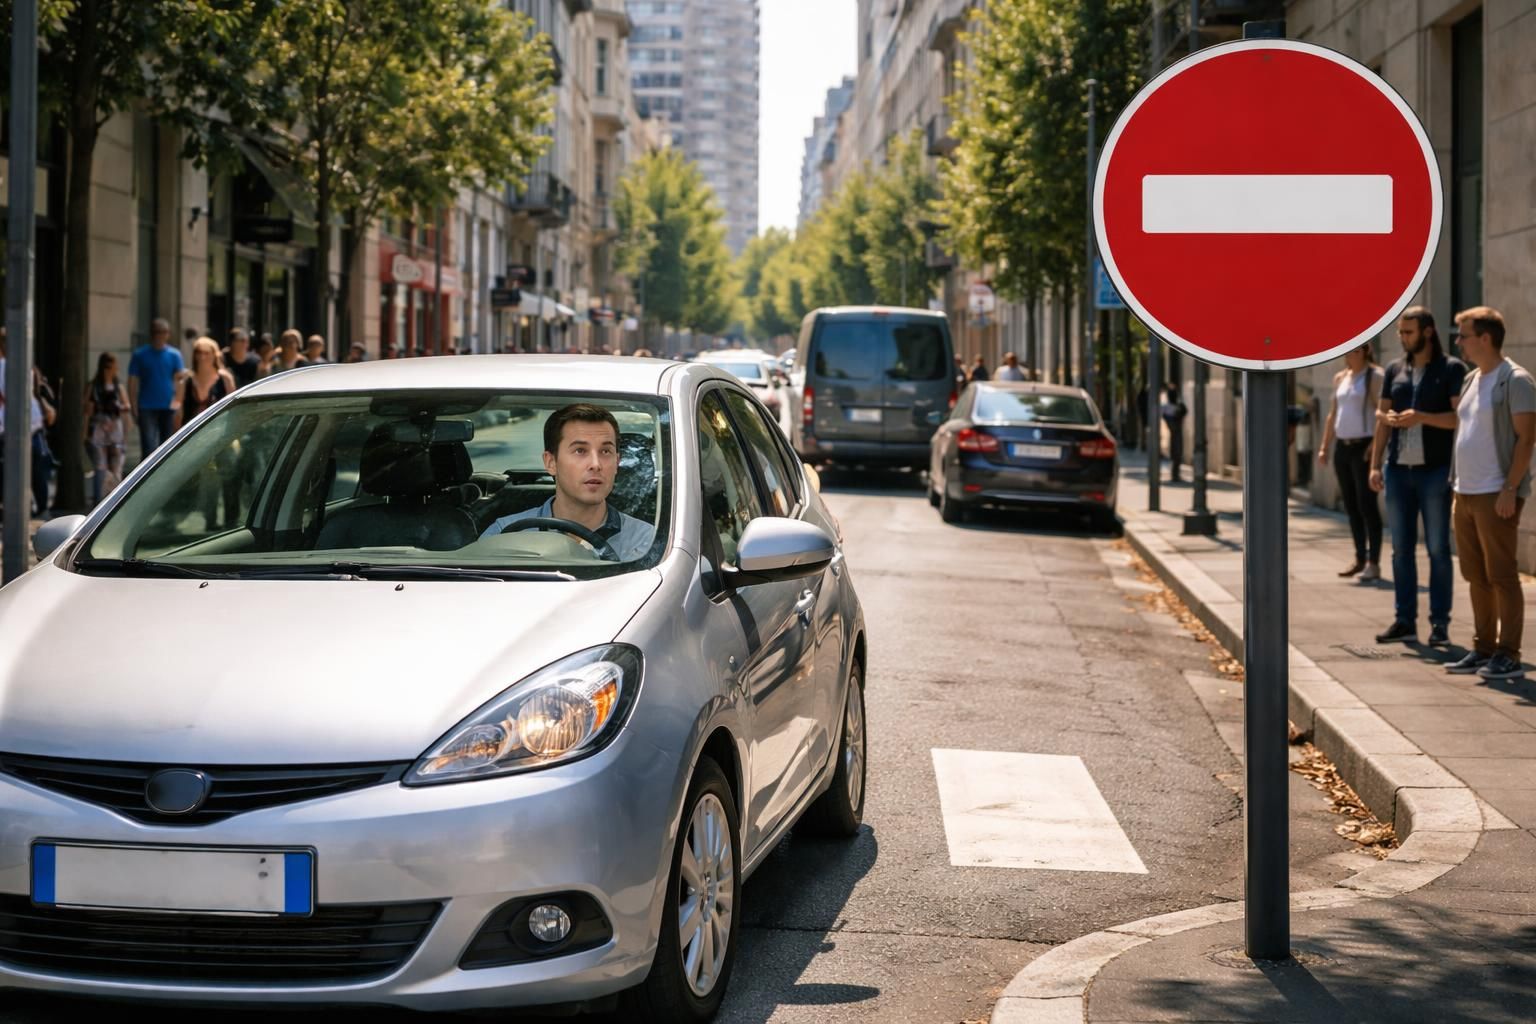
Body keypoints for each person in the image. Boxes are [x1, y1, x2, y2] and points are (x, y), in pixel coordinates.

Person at [1444, 307, 1534, 680]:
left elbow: (1527, 439)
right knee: (1474, 574)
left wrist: (1509, 489)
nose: (1458, 342)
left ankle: (1508, 653)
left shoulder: (1515, 380)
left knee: (1502, 575)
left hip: (1495, 492)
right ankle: (1483, 647)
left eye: (1462, 335)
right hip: (1464, 491)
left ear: (1485, 338)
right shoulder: (1471, 379)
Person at [1369, 307, 1467, 646]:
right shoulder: (1395, 369)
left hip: (1434, 471)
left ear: (1427, 332)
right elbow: (1382, 416)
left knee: (1438, 549)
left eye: (1408, 332)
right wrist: (1375, 463)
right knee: (1400, 550)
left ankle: (1440, 625)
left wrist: (1421, 417)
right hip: (1398, 470)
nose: (1402, 337)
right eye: (1400, 332)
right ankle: (1404, 620)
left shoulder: (1452, 369)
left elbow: (1459, 419)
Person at [479, 403, 655, 561]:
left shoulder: (650, 542)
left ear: (617, 462)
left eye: (605, 451)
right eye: (580, 451)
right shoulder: (505, 534)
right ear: (551, 463)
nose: (595, 464)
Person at [1317, 343, 1385, 580]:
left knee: (1367, 505)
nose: (1350, 355)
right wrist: (1325, 446)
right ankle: (1359, 557)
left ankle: (1373, 562)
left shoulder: (1374, 376)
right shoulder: (1340, 378)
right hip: (1342, 447)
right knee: (1351, 506)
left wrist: (1374, 447)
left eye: (1356, 350)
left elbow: (1382, 413)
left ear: (1366, 351)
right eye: (1347, 350)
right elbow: (1332, 414)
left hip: (1363, 447)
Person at [128, 317, 187, 460]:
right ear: (151, 333)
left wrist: (178, 404)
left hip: (168, 406)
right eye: (157, 331)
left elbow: (181, 380)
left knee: (167, 446)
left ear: (168, 334)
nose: (160, 335)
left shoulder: (174, 355)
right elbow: (132, 382)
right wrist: (133, 406)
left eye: (164, 331)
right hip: (146, 407)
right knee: (148, 446)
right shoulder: (139, 355)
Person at [84, 352, 132, 505]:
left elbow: (127, 407)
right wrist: (85, 432)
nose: (112, 369)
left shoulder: (118, 386)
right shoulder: (94, 387)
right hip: (98, 430)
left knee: (116, 467)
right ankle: (99, 501)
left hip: (116, 431)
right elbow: (87, 410)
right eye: (109, 366)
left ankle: (115, 502)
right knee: (100, 467)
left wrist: (119, 409)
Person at [1161, 384, 1188, 483]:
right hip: (1174, 433)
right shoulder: (1170, 408)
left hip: (1175, 432)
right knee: (1176, 454)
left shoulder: (1175, 407)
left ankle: (1175, 474)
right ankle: (1175, 474)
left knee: (1177, 454)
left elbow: (1184, 411)